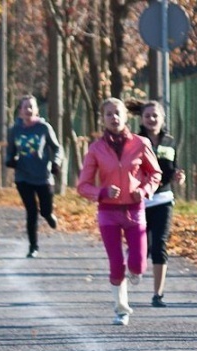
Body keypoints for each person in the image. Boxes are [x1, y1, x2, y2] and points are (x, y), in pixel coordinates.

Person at [77, 98, 162, 326]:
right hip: (108, 212)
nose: (114, 117)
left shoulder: (141, 143)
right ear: (102, 119)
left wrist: (143, 191)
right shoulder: (95, 149)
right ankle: (121, 309)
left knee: (138, 264)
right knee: (116, 263)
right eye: (109, 114)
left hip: (134, 210)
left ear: (126, 116)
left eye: (117, 113)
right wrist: (102, 192)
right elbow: (82, 186)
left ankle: (134, 270)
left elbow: (155, 174)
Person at [137, 100, 186, 308]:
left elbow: (173, 167)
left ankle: (158, 294)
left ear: (162, 119)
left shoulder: (170, 141)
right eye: (147, 116)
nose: (151, 119)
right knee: (142, 246)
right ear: (141, 119)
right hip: (140, 199)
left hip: (164, 198)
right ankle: (135, 265)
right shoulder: (135, 141)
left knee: (160, 244)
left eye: (155, 115)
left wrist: (178, 176)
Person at [5, 95, 64, 258]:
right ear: (20, 112)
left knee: (44, 210)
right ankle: (33, 246)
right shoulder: (14, 130)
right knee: (31, 211)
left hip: (43, 176)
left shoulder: (44, 127)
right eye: (25, 107)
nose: (28, 110)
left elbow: (57, 148)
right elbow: (10, 152)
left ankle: (49, 215)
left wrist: (56, 163)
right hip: (23, 177)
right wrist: (10, 160)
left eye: (31, 107)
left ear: (36, 110)